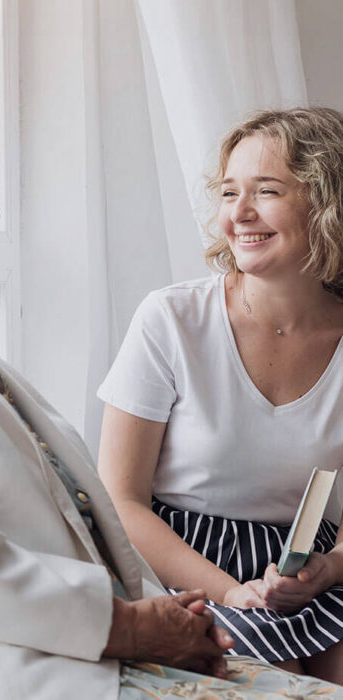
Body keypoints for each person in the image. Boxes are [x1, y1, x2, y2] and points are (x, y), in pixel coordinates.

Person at [0, 107, 343, 699]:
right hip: (6, 678)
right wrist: (132, 626)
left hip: (102, 663)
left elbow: (80, 532)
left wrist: (168, 620)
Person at [97, 107, 343, 683]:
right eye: (230, 192)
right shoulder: (171, 318)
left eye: (267, 191)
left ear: (327, 204)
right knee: (277, 672)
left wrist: (330, 569)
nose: (239, 213)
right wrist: (231, 592)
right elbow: (120, 501)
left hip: (305, 569)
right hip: (182, 564)